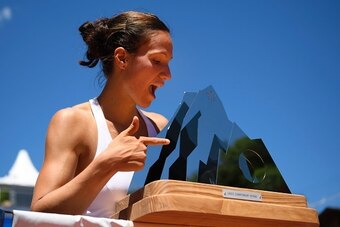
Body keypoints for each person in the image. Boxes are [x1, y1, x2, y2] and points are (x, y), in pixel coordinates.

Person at [31, 11, 173, 218]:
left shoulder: (160, 127)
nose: (168, 74)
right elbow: (40, 214)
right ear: (122, 58)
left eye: (169, 62)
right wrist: (107, 164)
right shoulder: (73, 122)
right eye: (158, 60)